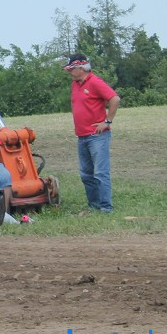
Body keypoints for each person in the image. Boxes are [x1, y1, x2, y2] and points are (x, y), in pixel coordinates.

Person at [63, 53, 119, 214]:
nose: (69, 72)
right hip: (82, 136)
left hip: (97, 136)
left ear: (81, 68)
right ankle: (94, 205)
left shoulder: (95, 82)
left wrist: (107, 122)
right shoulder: (75, 84)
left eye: (72, 69)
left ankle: (106, 208)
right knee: (86, 174)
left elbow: (114, 98)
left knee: (100, 172)